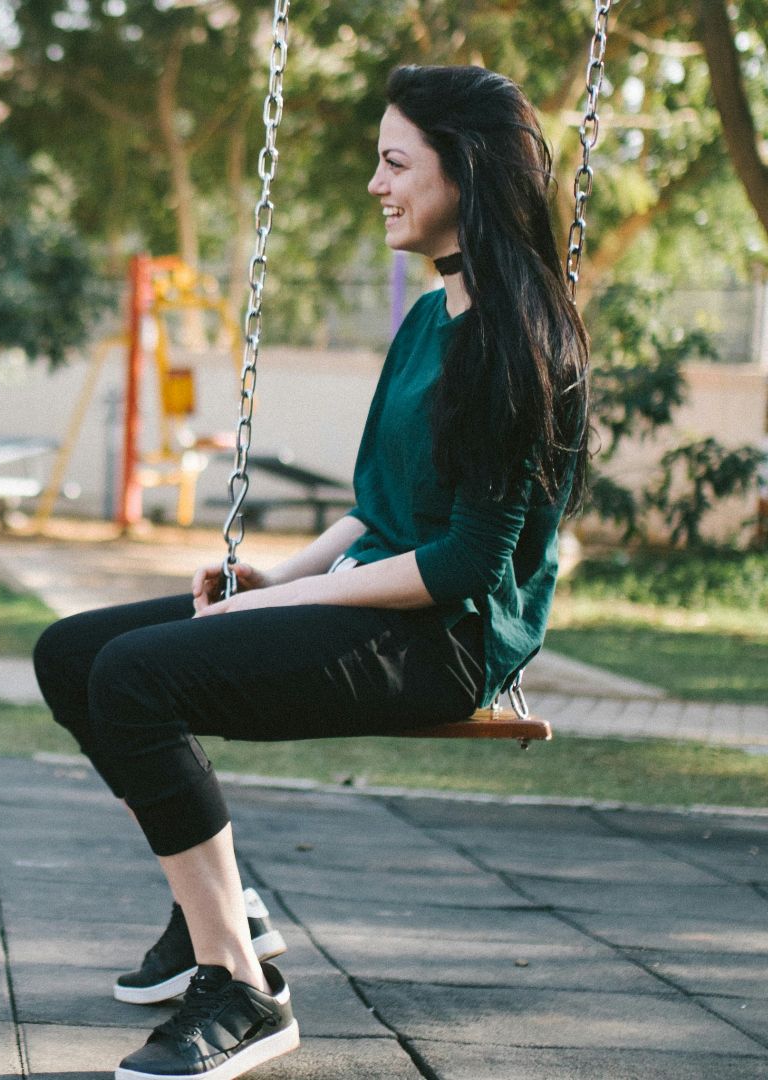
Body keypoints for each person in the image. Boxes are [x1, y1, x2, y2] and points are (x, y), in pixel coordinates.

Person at [32, 65, 589, 1080]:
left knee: (137, 678)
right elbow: (377, 507)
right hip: (377, 592)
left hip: (447, 637)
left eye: (395, 161)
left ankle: (240, 988)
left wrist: (305, 595)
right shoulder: (430, 319)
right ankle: (218, 903)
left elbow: (463, 563)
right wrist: (275, 574)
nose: (377, 183)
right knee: (74, 653)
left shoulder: (519, 339)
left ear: (463, 171)